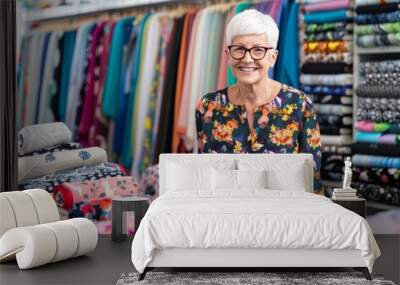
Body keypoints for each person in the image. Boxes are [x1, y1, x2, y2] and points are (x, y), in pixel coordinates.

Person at [195, 9, 322, 191]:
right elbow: (205, 174)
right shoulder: (207, 106)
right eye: (239, 49)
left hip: (285, 215)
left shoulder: (299, 105)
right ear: (228, 56)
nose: (247, 58)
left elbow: (312, 179)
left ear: (273, 58)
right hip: (226, 213)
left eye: (258, 50)